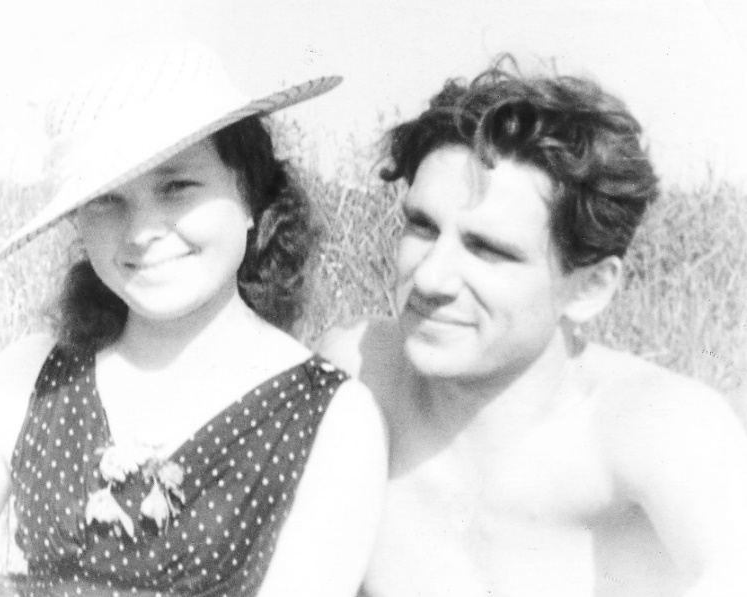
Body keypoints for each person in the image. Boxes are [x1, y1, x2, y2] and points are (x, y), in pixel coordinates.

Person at [0, 42, 387, 597]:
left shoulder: (330, 417)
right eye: (106, 200)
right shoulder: (29, 377)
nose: (142, 231)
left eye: (176, 187)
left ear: (250, 193)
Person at [319, 58, 747, 597]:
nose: (429, 277)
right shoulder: (360, 373)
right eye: (422, 227)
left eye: (488, 249)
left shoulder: (655, 428)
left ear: (589, 288)